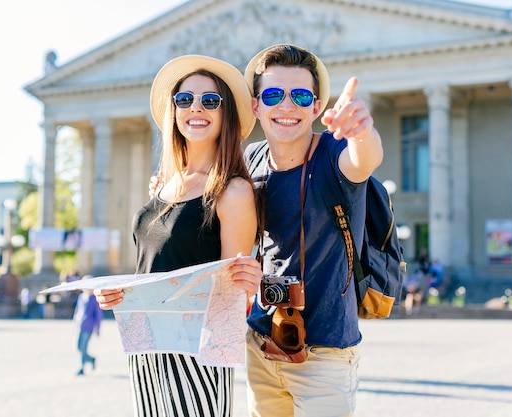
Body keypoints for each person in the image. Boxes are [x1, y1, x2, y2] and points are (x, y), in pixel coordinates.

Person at [93, 55, 261, 416]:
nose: (195, 108)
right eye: (184, 99)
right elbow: (151, 265)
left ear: (226, 113)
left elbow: (232, 292)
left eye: (210, 100)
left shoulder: (232, 191)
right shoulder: (165, 185)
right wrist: (118, 294)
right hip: (145, 349)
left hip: (195, 355)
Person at [232, 43, 384, 417]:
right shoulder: (249, 159)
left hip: (325, 356)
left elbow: (364, 160)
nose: (287, 106)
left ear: (316, 107)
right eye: (272, 94)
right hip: (262, 343)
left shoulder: (334, 153)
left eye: (300, 95)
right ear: (256, 107)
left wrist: (362, 131)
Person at [73, 275, 103, 375]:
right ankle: (91, 359)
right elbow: (77, 311)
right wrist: (75, 322)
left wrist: (97, 328)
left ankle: (81, 368)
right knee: (78, 347)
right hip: (79, 325)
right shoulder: (81, 297)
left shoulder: (94, 299)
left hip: (89, 326)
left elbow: (98, 315)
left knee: (83, 347)